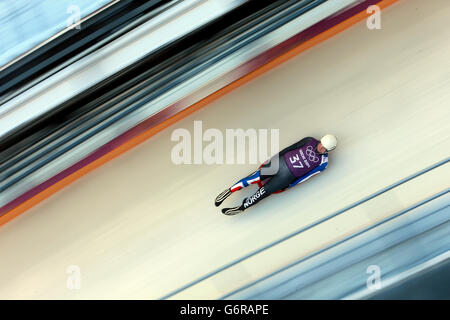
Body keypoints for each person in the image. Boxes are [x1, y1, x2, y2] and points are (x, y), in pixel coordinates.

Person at [215, 134, 337, 215]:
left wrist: (290, 184)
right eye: (321, 144)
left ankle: (241, 208)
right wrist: (274, 159)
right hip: (279, 163)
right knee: (255, 177)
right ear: (320, 140)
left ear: (328, 151)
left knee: (263, 193)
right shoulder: (309, 140)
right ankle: (229, 190)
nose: (320, 149)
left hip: (286, 177)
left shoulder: (323, 163)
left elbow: (307, 176)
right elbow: (291, 148)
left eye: (324, 149)